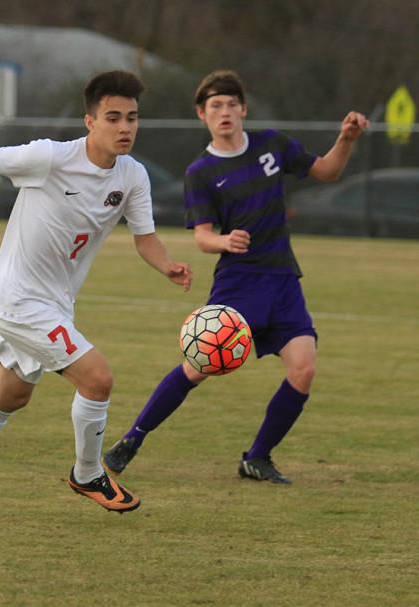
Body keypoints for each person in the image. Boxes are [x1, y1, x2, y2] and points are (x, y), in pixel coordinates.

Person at [0, 70, 192, 514]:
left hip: (56, 303)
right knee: (97, 378)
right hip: (18, 298)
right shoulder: (50, 157)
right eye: (113, 117)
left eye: (132, 118)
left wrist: (166, 265)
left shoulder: (133, 177)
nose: (125, 127)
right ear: (91, 122)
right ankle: (87, 474)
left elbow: (144, 237)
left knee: (12, 395)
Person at [105, 69, 369, 484]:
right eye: (215, 106)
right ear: (201, 115)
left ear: (243, 109)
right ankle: (133, 438)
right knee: (197, 367)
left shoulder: (271, 145)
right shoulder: (202, 171)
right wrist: (226, 240)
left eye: (231, 104)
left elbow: (327, 172)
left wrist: (347, 140)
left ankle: (257, 458)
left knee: (304, 368)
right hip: (238, 285)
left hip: (282, 280)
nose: (224, 111)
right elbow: (205, 239)